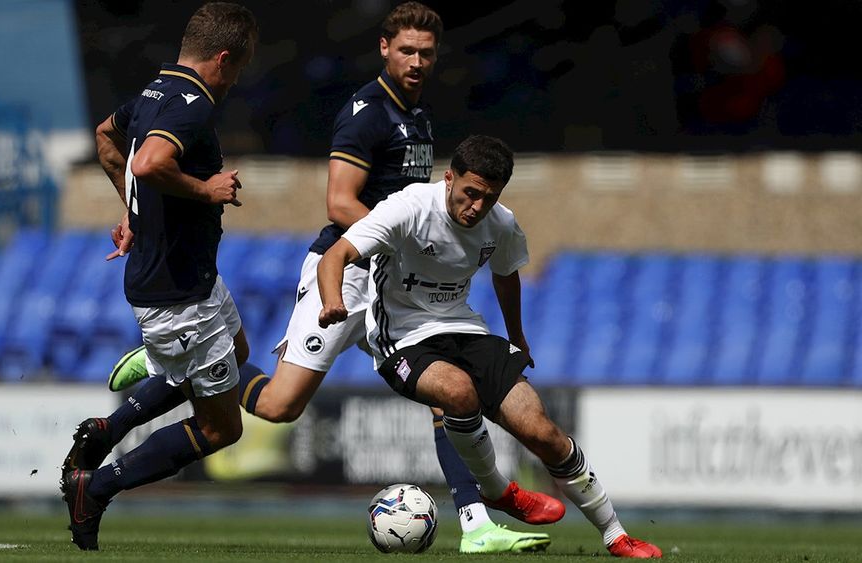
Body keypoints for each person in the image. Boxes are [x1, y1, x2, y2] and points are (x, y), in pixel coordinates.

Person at [95, 2, 559, 555]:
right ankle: (168, 362)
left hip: (393, 285)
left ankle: (478, 523)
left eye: (427, 53)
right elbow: (340, 202)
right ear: (385, 49)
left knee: (450, 390)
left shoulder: (418, 118)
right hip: (346, 272)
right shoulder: (367, 112)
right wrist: (407, 245)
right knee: (277, 406)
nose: (416, 61)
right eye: (407, 50)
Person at [316, 134, 663, 559]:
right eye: (470, 193)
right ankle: (498, 489)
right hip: (401, 337)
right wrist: (333, 300)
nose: (477, 206)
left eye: (488, 197)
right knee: (457, 392)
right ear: (448, 178)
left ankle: (616, 535)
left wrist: (516, 337)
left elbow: (506, 274)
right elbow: (336, 254)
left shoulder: (500, 223)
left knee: (543, 433)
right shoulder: (406, 209)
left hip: (463, 328)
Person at [59, 2, 259, 551]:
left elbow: (107, 136)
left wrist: (132, 212)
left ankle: (108, 430)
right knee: (222, 428)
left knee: (237, 352)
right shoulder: (194, 106)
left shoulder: (155, 91)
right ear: (222, 58)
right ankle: (94, 488)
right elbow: (147, 164)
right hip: (178, 295)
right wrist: (207, 189)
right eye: (238, 68)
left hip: (195, 278)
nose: (236, 79)